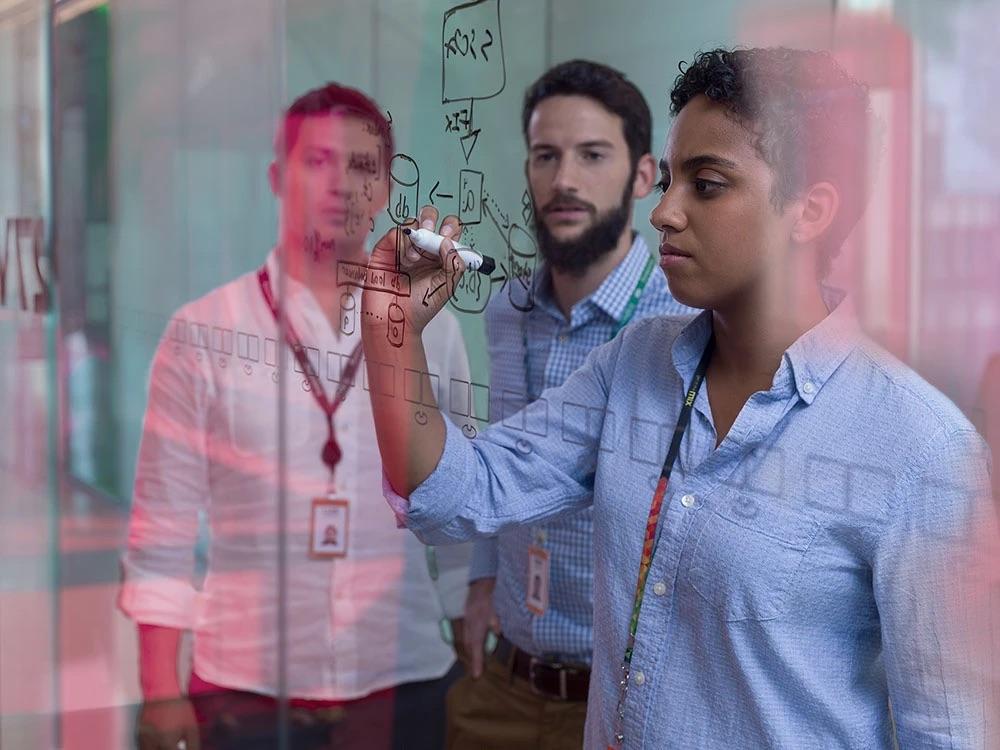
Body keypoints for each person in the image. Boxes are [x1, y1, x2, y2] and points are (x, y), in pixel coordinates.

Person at [361, 48, 997, 749]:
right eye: (668, 180)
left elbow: (949, 733)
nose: (663, 212)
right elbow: (452, 493)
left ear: (811, 210)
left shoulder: (921, 447)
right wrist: (391, 327)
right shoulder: (635, 364)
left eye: (708, 184)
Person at [120, 82, 473, 750]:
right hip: (246, 691)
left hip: (402, 681)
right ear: (278, 178)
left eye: (363, 167)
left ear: (384, 189)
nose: (342, 184)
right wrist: (159, 689)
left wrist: (466, 630)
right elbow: (161, 525)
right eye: (318, 162)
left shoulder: (432, 330)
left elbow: (454, 506)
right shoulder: (203, 330)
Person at [450, 60, 690, 750]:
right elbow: (498, 461)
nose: (564, 180)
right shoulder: (508, 311)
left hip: (622, 708)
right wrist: (483, 579)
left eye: (592, 155)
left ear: (644, 177)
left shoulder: (680, 318)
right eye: (545, 156)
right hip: (503, 683)